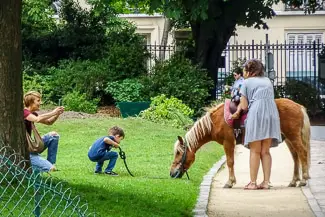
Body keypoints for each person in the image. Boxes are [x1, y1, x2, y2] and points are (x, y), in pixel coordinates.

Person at [236, 59, 281, 190]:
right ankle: (266, 182)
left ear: (250, 70)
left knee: (255, 151)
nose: (243, 72)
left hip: (256, 113)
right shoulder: (267, 81)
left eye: (245, 69)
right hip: (271, 113)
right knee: (265, 151)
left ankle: (253, 182)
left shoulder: (246, 82)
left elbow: (244, 106)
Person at [23, 91, 64, 172]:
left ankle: (50, 163)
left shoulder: (33, 113)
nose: (40, 103)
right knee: (51, 169)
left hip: (32, 146)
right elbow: (37, 119)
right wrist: (53, 112)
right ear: (31, 102)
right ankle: (44, 166)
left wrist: (57, 114)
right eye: (38, 100)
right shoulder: (24, 112)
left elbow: (49, 122)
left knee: (54, 136)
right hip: (26, 150)